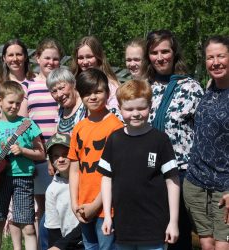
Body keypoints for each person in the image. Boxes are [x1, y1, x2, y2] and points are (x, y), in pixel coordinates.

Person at [98, 79, 180, 250]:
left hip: (154, 228)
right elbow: (106, 178)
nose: (135, 113)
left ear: (150, 106)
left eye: (141, 108)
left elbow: (172, 181)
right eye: (129, 109)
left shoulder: (160, 140)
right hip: (123, 228)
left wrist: (173, 222)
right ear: (119, 108)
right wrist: (107, 215)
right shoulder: (114, 139)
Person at [145, 29, 204, 250]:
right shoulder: (145, 87)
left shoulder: (191, 88)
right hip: (150, 170)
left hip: (181, 172)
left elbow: (202, 134)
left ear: (174, 53)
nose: (160, 57)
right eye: (154, 52)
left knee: (178, 235)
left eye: (165, 51)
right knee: (152, 233)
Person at [0, 81, 45, 250]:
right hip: (1, 181)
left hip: (23, 179)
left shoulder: (28, 124)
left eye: (18, 103)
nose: (15, 106)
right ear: (0, 101)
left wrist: (23, 150)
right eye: (11, 102)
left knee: (28, 227)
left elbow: (41, 153)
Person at [68, 68, 123, 250]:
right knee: (89, 246)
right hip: (83, 205)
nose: (92, 97)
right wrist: (75, 204)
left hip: (106, 208)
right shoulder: (79, 128)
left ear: (107, 92)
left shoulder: (115, 127)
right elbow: (75, 169)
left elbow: (117, 173)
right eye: (87, 93)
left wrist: (95, 205)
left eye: (98, 91)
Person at [184, 35, 229, 250]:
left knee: (223, 245)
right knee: (205, 243)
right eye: (210, 57)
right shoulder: (209, 87)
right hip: (196, 182)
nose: (216, 62)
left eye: (221, 56)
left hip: (225, 186)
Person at [21, 38, 63, 240]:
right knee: (41, 205)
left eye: (56, 59)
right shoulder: (28, 85)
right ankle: (41, 244)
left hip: (60, 155)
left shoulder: (62, 85)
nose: (51, 62)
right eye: (47, 58)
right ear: (38, 58)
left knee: (60, 203)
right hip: (37, 155)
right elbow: (23, 121)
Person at [44, 132, 83, 250]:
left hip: (89, 240)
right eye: (55, 156)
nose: (60, 159)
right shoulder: (52, 190)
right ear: (51, 160)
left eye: (65, 154)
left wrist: (60, 245)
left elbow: (89, 221)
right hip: (67, 244)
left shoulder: (85, 181)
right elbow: (53, 229)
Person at [0, 38, 34, 132]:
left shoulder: (36, 81)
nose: (15, 59)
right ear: (4, 58)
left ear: (25, 57)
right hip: (6, 142)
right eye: (11, 55)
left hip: (35, 139)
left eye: (19, 54)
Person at [71, 35, 120, 112]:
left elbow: (116, 112)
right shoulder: (73, 83)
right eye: (80, 58)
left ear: (98, 57)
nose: (85, 62)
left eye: (89, 57)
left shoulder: (110, 85)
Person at [46, 67, 87, 134]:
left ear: (73, 84)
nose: (59, 94)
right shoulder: (61, 109)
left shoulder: (87, 105)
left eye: (62, 88)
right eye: (54, 91)